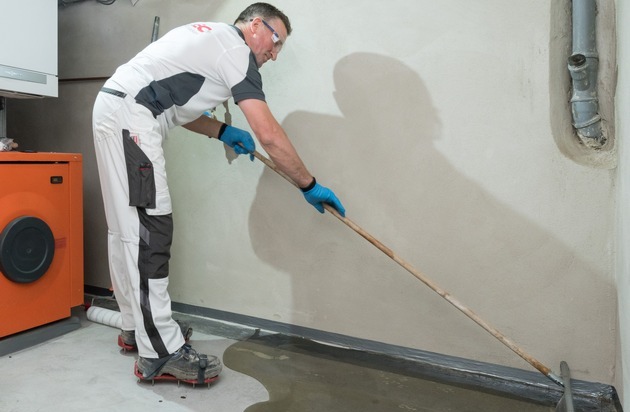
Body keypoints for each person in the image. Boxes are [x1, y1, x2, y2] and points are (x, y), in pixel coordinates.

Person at [91, 2, 345, 385]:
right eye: (276, 41)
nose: (275, 54)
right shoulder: (236, 51)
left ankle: (136, 326)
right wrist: (308, 184)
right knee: (150, 229)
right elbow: (269, 135)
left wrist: (223, 131)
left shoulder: (212, 39)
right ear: (255, 25)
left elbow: (176, 107)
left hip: (119, 111)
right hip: (131, 117)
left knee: (127, 228)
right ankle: (160, 352)